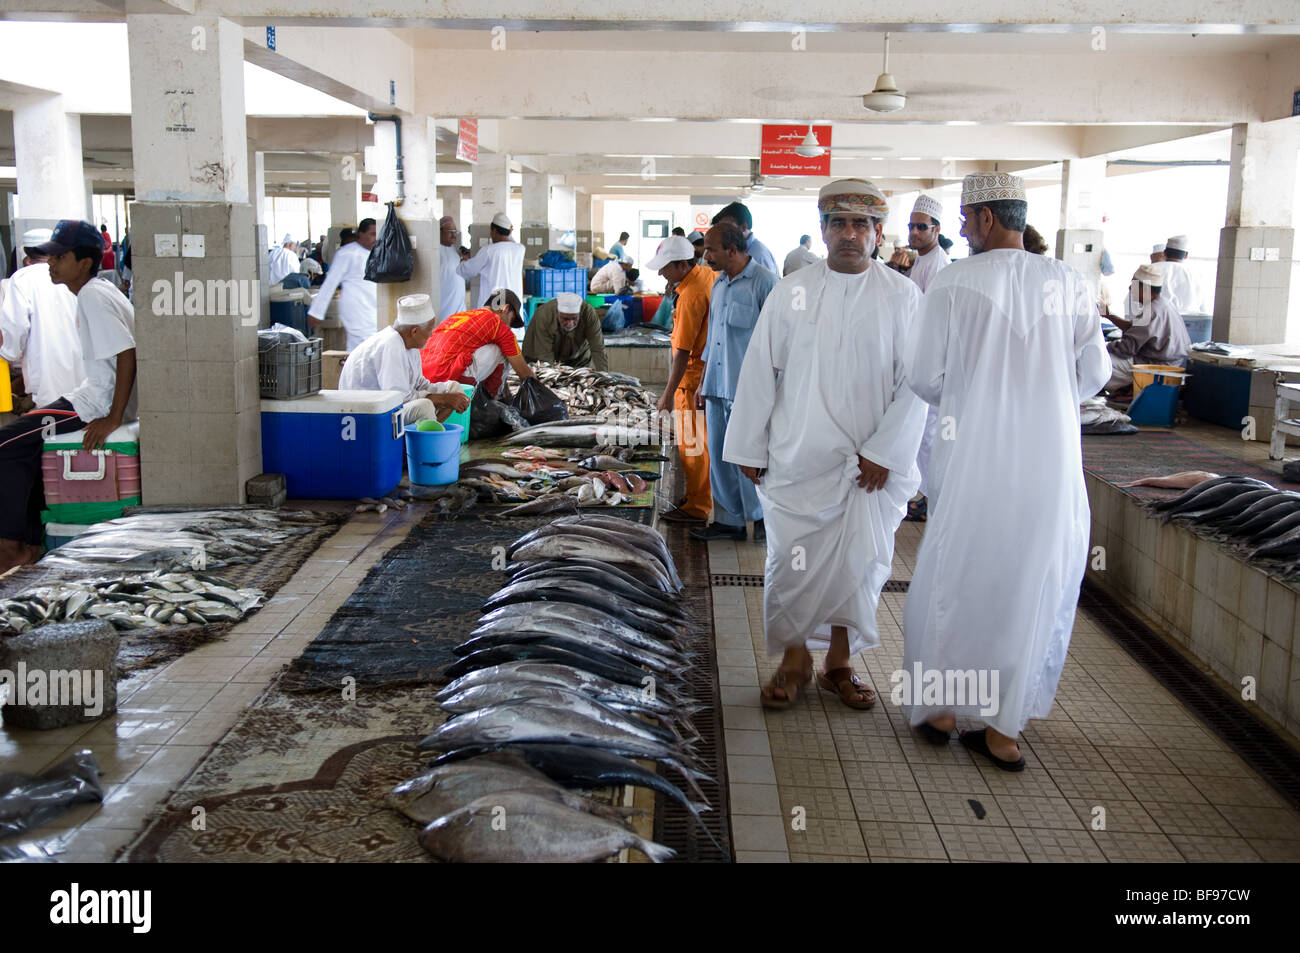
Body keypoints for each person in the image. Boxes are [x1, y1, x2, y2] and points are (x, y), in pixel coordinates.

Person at [902, 172, 1111, 769]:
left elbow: (923, 376)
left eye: (966, 220)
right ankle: (1002, 731)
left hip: (973, 456)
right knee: (1031, 582)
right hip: (1048, 462)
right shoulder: (1068, 280)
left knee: (957, 571)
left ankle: (942, 710)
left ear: (986, 218)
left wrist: (976, 393)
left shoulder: (954, 281)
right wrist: (1042, 395)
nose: (963, 230)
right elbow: (1094, 374)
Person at [723, 178, 926, 711]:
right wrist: (749, 445)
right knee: (791, 564)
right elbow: (759, 371)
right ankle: (794, 659)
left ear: (878, 233)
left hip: (869, 466)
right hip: (798, 456)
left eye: (861, 224)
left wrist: (886, 451)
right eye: (838, 223)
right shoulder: (792, 290)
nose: (849, 234)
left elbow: (920, 383)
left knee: (858, 565)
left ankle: (839, 661)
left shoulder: (904, 296)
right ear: (823, 230)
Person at [0, 220, 139, 573]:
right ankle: (29, 541)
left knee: (5, 445)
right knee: (23, 446)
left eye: (60, 256)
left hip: (91, 405)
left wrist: (112, 417)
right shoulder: (100, 290)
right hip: (86, 398)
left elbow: (127, 354)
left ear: (85, 263)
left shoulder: (93, 294)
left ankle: (14, 546)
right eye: (50, 256)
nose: (51, 263)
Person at [690, 222, 778, 543]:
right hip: (717, 386)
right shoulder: (720, 285)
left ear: (732, 249)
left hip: (749, 391)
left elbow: (779, 342)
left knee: (754, 458)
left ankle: (767, 518)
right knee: (721, 457)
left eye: (710, 249)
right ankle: (731, 521)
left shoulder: (765, 283)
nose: (706, 255)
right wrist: (703, 382)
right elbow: (713, 338)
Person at [652, 235, 713, 524]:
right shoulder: (705, 276)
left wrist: (667, 394)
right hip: (705, 376)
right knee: (700, 442)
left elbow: (683, 352)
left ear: (681, 264)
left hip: (691, 379)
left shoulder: (690, 295)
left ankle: (698, 508)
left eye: (665, 267)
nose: (660, 272)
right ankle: (696, 497)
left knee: (693, 445)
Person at [338, 293, 471, 426]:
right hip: (367, 414)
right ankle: (426, 439)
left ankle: (434, 429)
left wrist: (448, 395)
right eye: (430, 330)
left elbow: (420, 383)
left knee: (454, 387)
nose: (431, 334)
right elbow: (397, 399)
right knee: (425, 407)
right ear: (414, 331)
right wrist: (442, 399)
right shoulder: (391, 345)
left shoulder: (410, 345)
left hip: (386, 409)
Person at [903, 194, 952, 524]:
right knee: (920, 434)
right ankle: (923, 495)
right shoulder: (921, 260)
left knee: (929, 434)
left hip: (932, 360)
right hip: (918, 356)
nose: (914, 232)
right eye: (912, 226)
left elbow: (932, 319)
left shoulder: (938, 266)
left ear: (936, 230)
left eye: (921, 227)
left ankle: (932, 499)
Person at [0, 229, 83, 410]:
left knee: (50, 431)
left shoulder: (22, 279)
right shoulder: (75, 275)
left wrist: (8, 352)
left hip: (47, 380)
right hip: (84, 377)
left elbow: (15, 329)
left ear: (27, 256)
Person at [421, 288, 535, 398]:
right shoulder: (497, 325)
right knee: (502, 350)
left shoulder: (459, 316)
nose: (510, 326)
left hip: (423, 379)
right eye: (512, 319)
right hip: (446, 378)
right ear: (505, 308)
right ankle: (493, 399)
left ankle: (485, 396)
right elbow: (524, 373)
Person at [1104, 263, 1191, 394]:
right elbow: (1133, 328)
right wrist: (1109, 315)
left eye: (1133, 285)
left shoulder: (1150, 312)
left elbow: (1126, 349)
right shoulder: (1164, 304)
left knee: (1100, 360)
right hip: (1173, 364)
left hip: (1157, 367)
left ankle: (1124, 389)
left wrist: (1104, 346)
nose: (1129, 288)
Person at [308, 218, 378, 350]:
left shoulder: (377, 254)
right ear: (361, 234)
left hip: (373, 311)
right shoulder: (347, 253)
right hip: (357, 313)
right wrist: (316, 312)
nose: (375, 238)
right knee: (361, 351)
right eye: (372, 234)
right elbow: (330, 283)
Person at [523, 292, 608, 370]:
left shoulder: (589, 314)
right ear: (558, 313)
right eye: (565, 319)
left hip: (576, 356)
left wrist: (604, 376)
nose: (570, 324)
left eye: (574, 318)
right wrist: (552, 377)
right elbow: (545, 355)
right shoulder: (544, 316)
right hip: (542, 354)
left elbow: (598, 348)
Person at [457, 213, 524, 308]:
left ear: (494, 230)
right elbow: (511, 242)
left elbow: (469, 270)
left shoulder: (488, 251)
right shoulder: (520, 249)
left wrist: (463, 262)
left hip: (493, 306)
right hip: (513, 306)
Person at [711, 202, 779, 276]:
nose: (722, 234)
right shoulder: (737, 250)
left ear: (743, 227)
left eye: (727, 228)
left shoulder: (758, 255)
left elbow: (768, 286)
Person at [1160, 235, 1210, 315]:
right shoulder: (1197, 274)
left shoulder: (1151, 269)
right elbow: (1203, 308)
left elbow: (1136, 300)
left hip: (1158, 321)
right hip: (1190, 323)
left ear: (1164, 253)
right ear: (1186, 255)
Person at [439, 215, 467, 326]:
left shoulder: (453, 249)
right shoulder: (435, 250)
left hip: (458, 306)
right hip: (444, 306)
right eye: (450, 231)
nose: (454, 234)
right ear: (440, 232)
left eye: (455, 231)